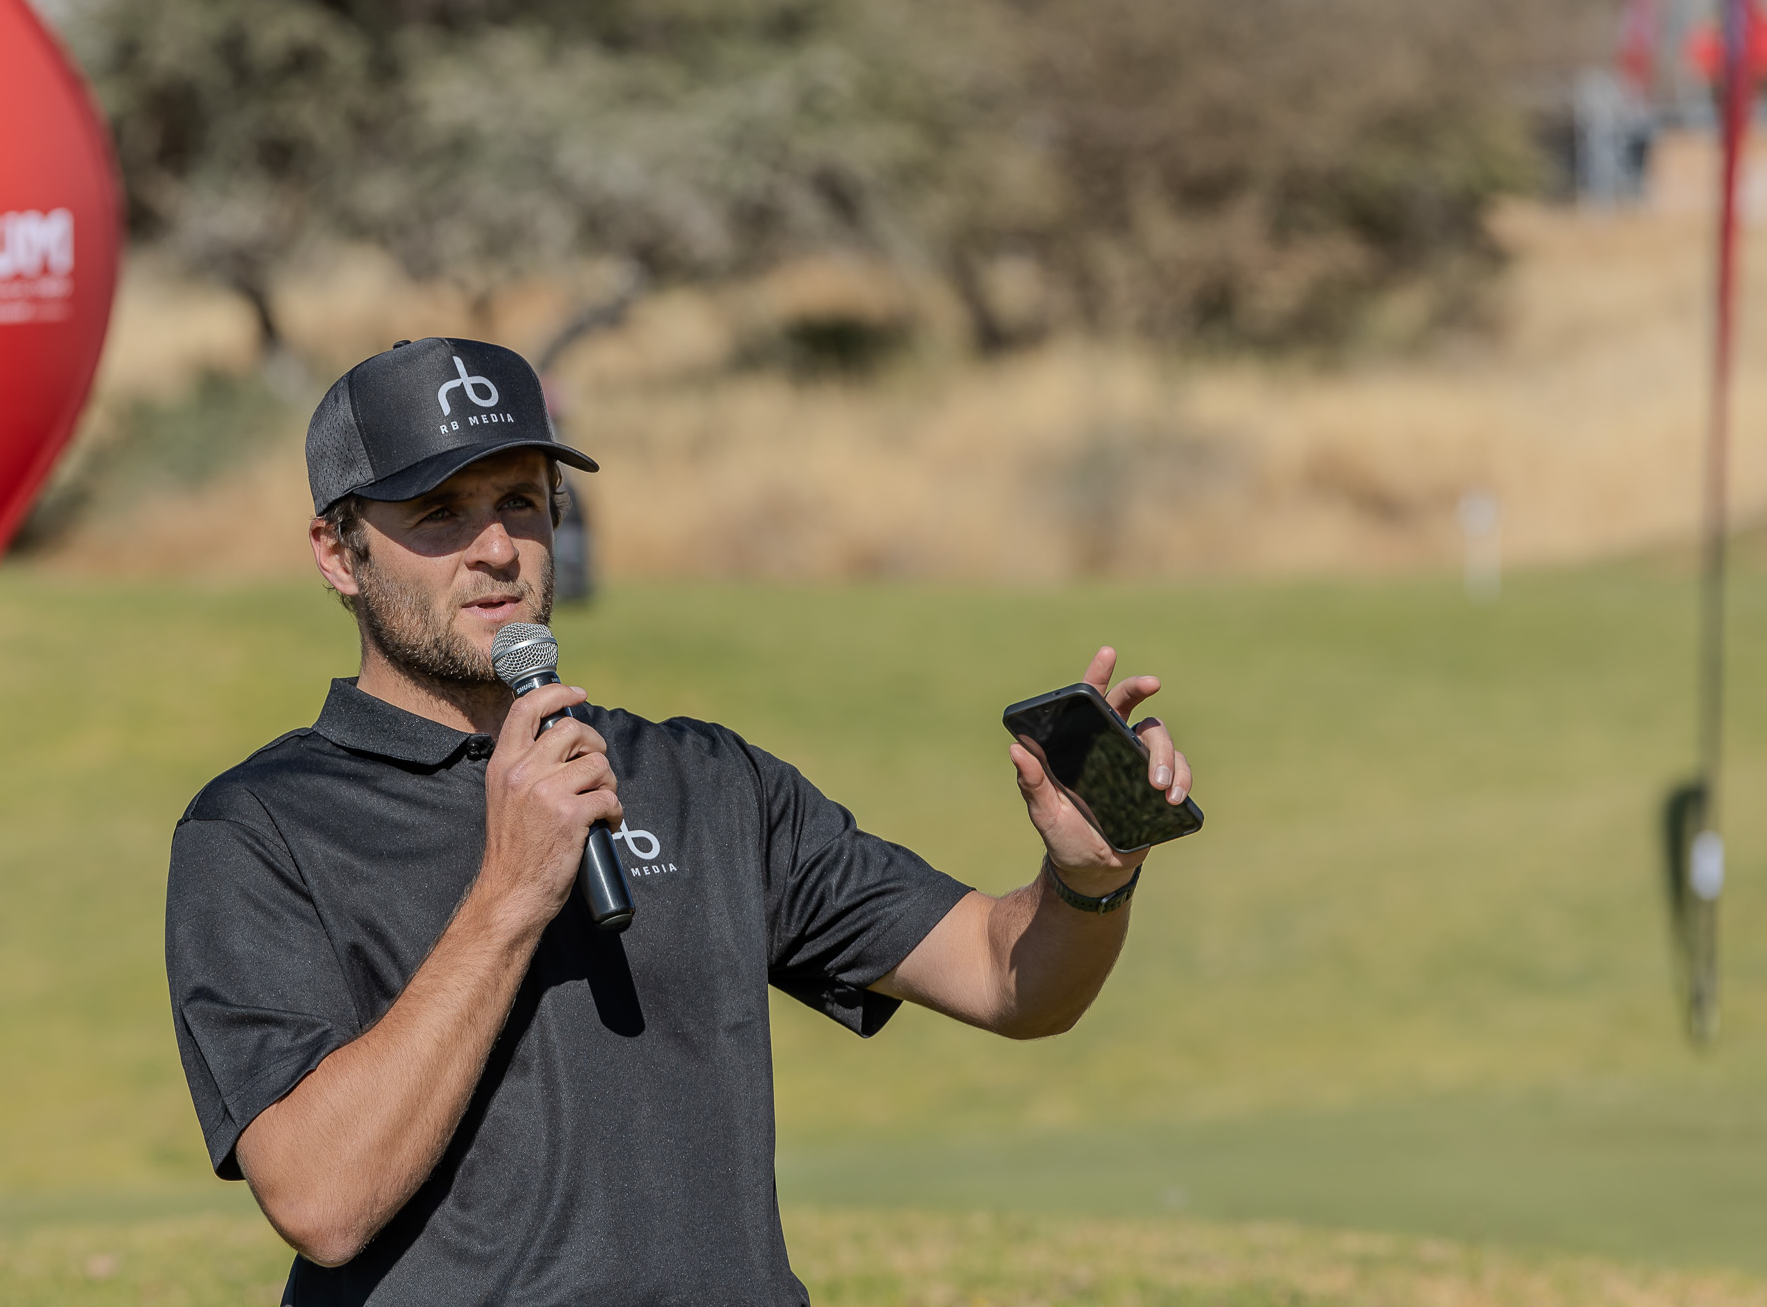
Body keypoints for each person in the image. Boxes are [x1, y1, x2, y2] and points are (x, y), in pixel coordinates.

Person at [164, 338, 1196, 1307]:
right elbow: (321, 1201)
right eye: (438, 511)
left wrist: (1087, 879)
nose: (497, 549)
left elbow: (1008, 980)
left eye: (521, 501)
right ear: (337, 552)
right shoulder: (258, 828)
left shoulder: (705, 780)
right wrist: (510, 892)